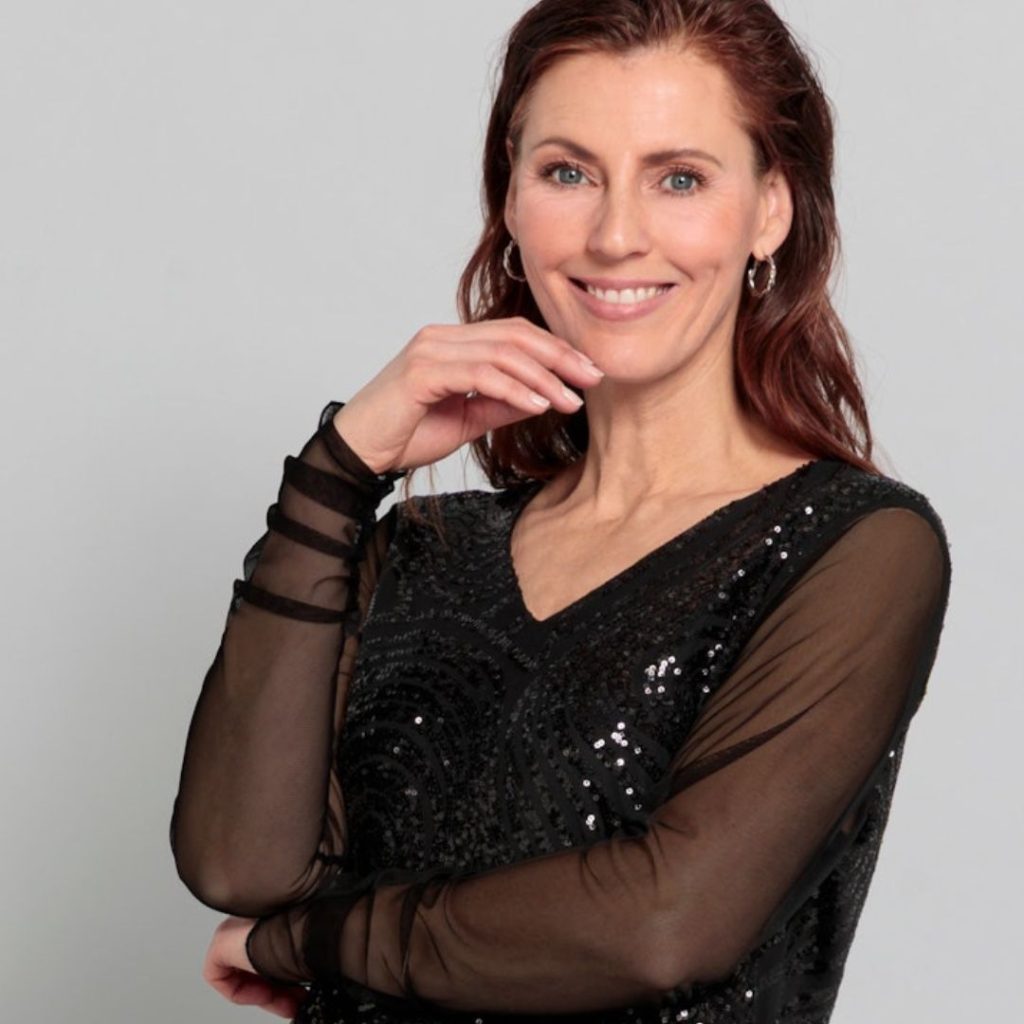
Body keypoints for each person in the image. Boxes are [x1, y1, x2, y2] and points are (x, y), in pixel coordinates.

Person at [169, 1, 952, 1022]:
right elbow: (236, 863)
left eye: (679, 178)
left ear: (770, 210)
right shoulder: (421, 547)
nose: (615, 235)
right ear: (511, 198)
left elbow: (665, 922)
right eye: (568, 173)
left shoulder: (852, 548)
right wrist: (338, 470)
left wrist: (304, 942)